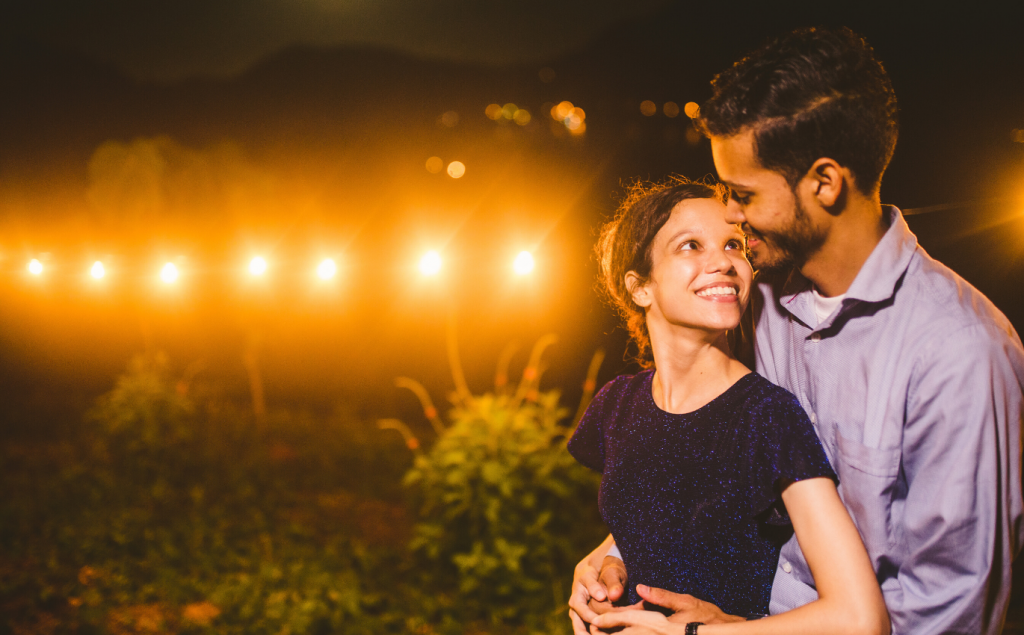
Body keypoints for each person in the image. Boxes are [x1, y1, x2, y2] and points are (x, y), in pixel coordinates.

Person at [570, 26, 1024, 635]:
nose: (729, 213)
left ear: (824, 183)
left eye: (743, 194)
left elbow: (950, 615)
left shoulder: (962, 354)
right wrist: (617, 551)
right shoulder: (749, 298)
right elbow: (703, 461)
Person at [566, 177, 890, 635]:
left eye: (734, 245)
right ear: (640, 287)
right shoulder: (618, 405)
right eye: (691, 246)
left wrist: (692, 634)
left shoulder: (767, 416)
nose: (723, 262)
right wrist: (598, 568)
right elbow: (665, 516)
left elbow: (860, 618)